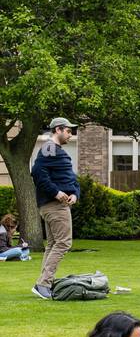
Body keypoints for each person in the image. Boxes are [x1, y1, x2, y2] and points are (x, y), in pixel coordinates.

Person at [30, 117, 80, 299]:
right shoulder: (50, 148)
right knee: (63, 243)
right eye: (68, 131)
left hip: (55, 204)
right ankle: (43, 283)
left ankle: (43, 283)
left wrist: (75, 193)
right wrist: (56, 192)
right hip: (54, 205)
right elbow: (37, 173)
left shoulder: (55, 150)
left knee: (52, 244)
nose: (71, 135)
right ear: (58, 129)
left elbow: (70, 177)